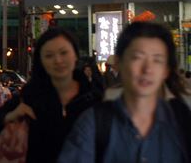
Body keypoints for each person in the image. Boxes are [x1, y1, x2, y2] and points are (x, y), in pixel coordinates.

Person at [58, 22, 191, 163]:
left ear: (166, 70)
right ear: (119, 62)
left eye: (157, 60)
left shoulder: (181, 120)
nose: (147, 69)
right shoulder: (94, 123)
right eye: (137, 58)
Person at [0, 28, 101, 163]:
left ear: (75, 55)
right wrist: (12, 115)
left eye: (64, 52)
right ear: (41, 61)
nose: (58, 60)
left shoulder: (94, 98)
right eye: (49, 55)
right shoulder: (31, 94)